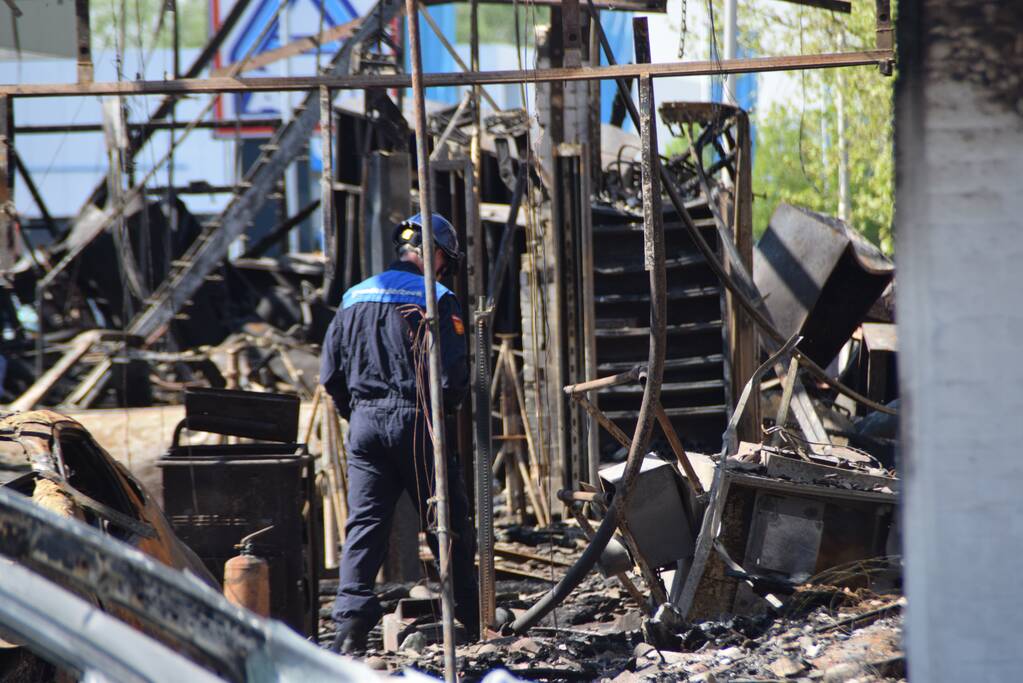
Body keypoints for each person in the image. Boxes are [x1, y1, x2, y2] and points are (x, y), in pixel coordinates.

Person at [320, 212, 479, 655]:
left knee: (365, 527)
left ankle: (349, 629)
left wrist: (358, 415)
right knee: (445, 521)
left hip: (366, 426)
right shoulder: (438, 295)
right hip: (418, 420)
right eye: (445, 260)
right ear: (437, 255)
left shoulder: (353, 296)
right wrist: (443, 415)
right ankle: (467, 618)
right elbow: (451, 378)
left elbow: (330, 373)